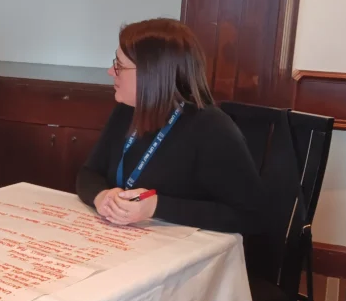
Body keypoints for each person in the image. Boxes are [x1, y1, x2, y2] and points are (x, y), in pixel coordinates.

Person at [76, 18, 263, 233]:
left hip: (188, 250)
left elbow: (248, 215)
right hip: (126, 238)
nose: (111, 71)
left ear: (152, 73)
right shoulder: (126, 110)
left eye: (119, 65)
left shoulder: (211, 128)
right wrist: (102, 197)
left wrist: (156, 206)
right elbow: (88, 174)